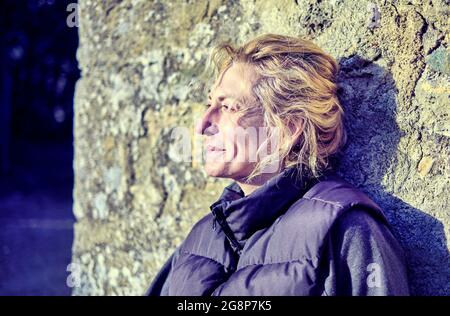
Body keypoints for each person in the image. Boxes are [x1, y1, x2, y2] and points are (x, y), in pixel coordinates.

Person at [146, 34, 410, 296]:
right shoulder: (200, 240)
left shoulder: (346, 231)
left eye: (227, 107)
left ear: (287, 127)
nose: (202, 124)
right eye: (209, 103)